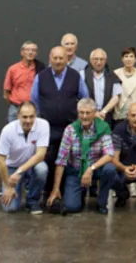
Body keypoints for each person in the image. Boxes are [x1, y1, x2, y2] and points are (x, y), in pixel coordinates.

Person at [31, 46, 90, 186]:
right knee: (48, 159)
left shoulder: (75, 76)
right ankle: (48, 189)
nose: (58, 61)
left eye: (61, 58)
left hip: (69, 127)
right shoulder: (41, 77)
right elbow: (35, 101)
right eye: (55, 58)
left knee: (69, 159)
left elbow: (85, 99)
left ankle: (65, 189)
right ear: (50, 59)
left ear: (66, 59)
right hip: (48, 127)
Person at [46, 98, 116, 214]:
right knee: (71, 207)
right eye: (81, 113)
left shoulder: (103, 127)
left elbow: (109, 154)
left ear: (94, 113)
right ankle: (81, 191)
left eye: (88, 113)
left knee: (110, 169)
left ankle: (101, 203)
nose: (84, 116)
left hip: (96, 169)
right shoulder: (70, 130)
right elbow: (61, 161)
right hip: (76, 171)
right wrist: (55, 189)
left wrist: (90, 169)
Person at [0, 101, 49, 214]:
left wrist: (20, 171)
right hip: (12, 167)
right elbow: (0, 160)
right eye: (24, 117)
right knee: (10, 208)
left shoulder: (43, 125)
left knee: (42, 169)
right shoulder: (7, 130)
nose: (28, 120)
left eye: (31, 117)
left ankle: (32, 201)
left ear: (36, 115)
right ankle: (7, 188)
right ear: (18, 116)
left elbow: (40, 154)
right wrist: (8, 186)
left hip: (30, 167)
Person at [3, 41, 44, 122]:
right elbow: (6, 92)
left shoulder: (41, 69)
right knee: (13, 130)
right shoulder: (13, 69)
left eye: (33, 50)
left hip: (34, 109)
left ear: (36, 53)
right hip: (16, 109)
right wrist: (14, 105)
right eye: (27, 50)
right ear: (22, 52)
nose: (30, 52)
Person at [84, 49, 122, 120]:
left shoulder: (112, 75)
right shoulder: (83, 74)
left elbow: (116, 96)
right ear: (90, 60)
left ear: (105, 60)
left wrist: (103, 112)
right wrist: (93, 112)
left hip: (105, 116)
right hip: (87, 115)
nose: (99, 62)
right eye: (96, 59)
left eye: (101, 59)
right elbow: (80, 96)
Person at [113, 47, 136, 126]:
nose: (128, 59)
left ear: (135, 59)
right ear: (122, 59)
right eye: (126, 56)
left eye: (131, 56)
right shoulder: (116, 73)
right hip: (120, 112)